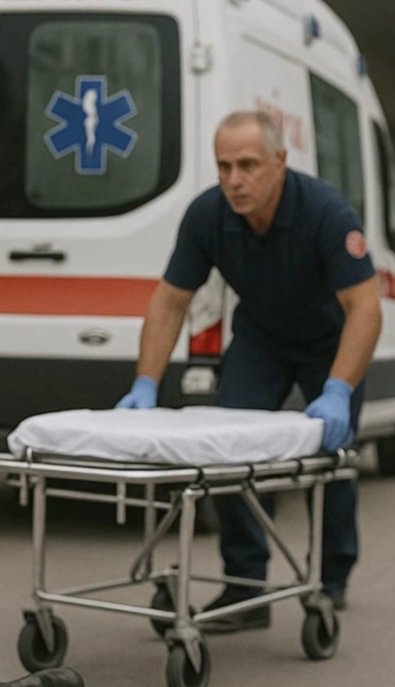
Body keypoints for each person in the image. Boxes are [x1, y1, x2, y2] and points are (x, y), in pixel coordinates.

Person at [115, 110, 381, 632]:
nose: (234, 180)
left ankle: (330, 579)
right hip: (262, 338)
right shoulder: (207, 216)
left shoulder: (326, 213)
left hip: (330, 341)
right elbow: (170, 301)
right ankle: (246, 585)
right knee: (229, 451)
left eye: (248, 165)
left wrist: (337, 389)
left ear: (280, 161)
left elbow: (365, 310)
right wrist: (145, 383)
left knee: (332, 460)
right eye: (224, 166)